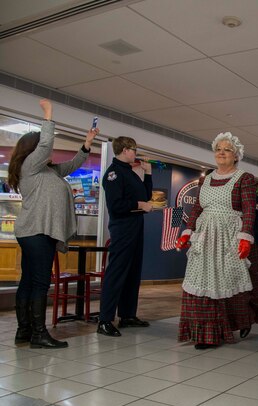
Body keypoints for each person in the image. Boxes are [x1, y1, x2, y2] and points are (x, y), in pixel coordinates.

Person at [9, 99, 98, 348]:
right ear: (33, 151)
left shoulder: (48, 172)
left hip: (37, 232)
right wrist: (48, 114)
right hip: (36, 232)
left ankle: (24, 332)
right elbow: (46, 143)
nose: (48, 153)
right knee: (39, 282)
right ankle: (38, 334)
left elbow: (72, 165)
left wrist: (87, 143)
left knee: (29, 281)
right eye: (42, 149)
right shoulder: (31, 167)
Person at [177, 132, 258, 349]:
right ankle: (205, 333)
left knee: (232, 282)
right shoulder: (205, 179)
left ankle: (242, 320)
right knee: (201, 282)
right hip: (206, 238)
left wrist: (245, 237)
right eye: (218, 149)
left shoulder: (244, 178)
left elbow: (248, 211)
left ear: (236, 155)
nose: (221, 153)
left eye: (226, 149)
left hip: (230, 237)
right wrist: (187, 231)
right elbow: (198, 207)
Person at [97, 136, 153, 336]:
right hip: (122, 227)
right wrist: (139, 205)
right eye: (134, 149)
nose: (135, 153)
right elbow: (115, 205)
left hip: (136, 226)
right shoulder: (113, 174)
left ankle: (128, 315)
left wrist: (148, 175)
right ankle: (104, 320)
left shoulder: (130, 173)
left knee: (133, 272)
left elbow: (145, 197)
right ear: (125, 150)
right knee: (117, 273)